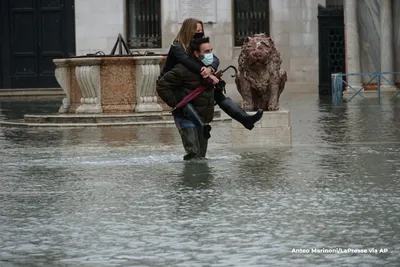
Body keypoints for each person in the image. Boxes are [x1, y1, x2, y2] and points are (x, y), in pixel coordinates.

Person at [160, 18, 263, 131]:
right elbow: (188, 63)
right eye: (196, 30)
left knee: (218, 95)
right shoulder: (177, 46)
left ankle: (245, 119)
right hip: (176, 82)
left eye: (201, 30)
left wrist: (211, 69)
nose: (199, 33)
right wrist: (207, 73)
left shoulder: (197, 43)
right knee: (185, 102)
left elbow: (214, 58)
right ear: (188, 30)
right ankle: (201, 127)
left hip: (192, 78)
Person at [156, 37, 216, 160]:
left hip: (203, 119)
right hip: (186, 118)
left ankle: (201, 179)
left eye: (211, 50)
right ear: (196, 53)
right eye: (206, 51)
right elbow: (162, 86)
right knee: (193, 153)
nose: (210, 54)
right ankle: (189, 178)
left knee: (201, 157)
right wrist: (178, 104)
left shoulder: (210, 70)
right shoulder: (182, 69)